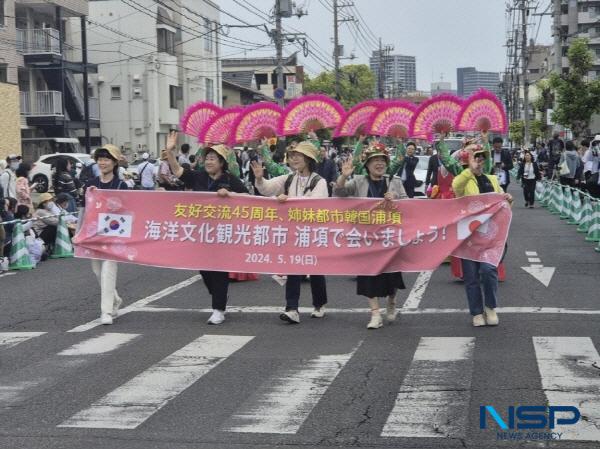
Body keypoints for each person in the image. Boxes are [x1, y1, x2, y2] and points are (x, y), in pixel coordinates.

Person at [164, 131, 249, 325]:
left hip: (223, 233)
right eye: (207, 158)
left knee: (219, 269)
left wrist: (230, 195)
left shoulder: (231, 180)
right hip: (201, 232)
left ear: (222, 162)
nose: (209, 161)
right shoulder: (198, 177)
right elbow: (177, 171)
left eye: (213, 158)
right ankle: (219, 296)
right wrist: (170, 152)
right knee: (204, 270)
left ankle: (218, 309)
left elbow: (248, 200)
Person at [251, 141, 329, 324]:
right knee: (293, 267)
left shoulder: (320, 181)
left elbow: (317, 204)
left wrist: (290, 200)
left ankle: (320, 303)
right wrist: (260, 178)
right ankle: (292, 308)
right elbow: (266, 189)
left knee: (316, 270)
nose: (294, 158)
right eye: (292, 155)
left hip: (312, 232)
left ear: (309, 159)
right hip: (292, 232)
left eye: (298, 155)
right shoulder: (288, 178)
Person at [334, 144, 408, 329]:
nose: (379, 163)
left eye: (382, 160)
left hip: (389, 237)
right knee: (368, 276)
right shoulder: (358, 181)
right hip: (366, 237)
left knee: (392, 276)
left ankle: (392, 301)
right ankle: (375, 314)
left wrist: (396, 198)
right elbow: (339, 192)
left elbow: (409, 205)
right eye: (375, 160)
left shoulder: (394, 181)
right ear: (367, 164)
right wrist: (344, 175)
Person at [452, 147, 513, 327]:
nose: (479, 161)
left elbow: (503, 202)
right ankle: (476, 312)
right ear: (467, 161)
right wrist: (469, 170)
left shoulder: (493, 179)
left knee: (488, 271)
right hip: (468, 236)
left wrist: (508, 199)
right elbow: (456, 186)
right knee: (470, 277)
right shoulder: (463, 180)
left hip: (491, 237)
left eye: (481, 158)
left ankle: (490, 307)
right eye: (475, 158)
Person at [84, 145, 130, 325]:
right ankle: (116, 299)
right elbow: (84, 209)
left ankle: (106, 312)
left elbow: (127, 210)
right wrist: (79, 232)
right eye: (100, 159)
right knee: (97, 271)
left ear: (115, 162)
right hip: (93, 233)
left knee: (108, 270)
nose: (102, 162)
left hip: (114, 234)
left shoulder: (121, 185)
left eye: (106, 159)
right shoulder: (90, 184)